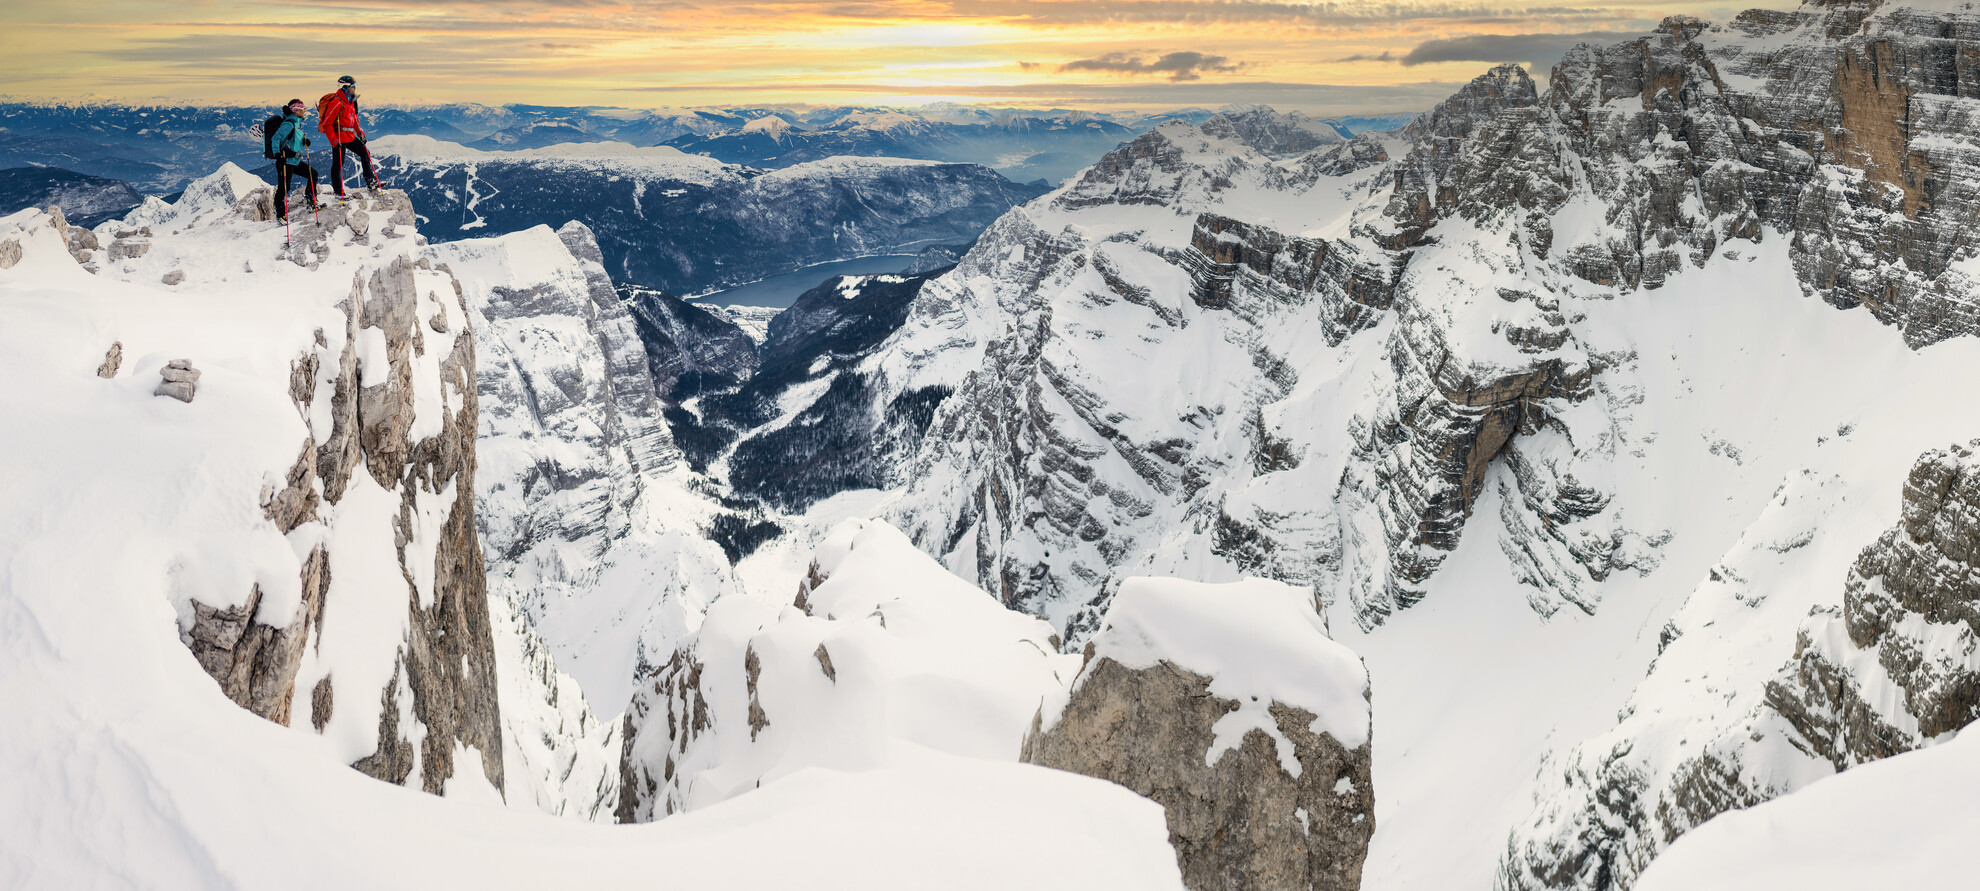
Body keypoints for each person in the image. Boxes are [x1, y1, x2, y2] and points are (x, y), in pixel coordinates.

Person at [317, 75, 384, 197]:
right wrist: (334, 141)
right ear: (346, 87)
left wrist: (360, 134)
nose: (355, 88)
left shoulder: (350, 101)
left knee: (365, 153)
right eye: (353, 86)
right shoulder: (337, 102)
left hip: (349, 136)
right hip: (339, 138)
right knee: (338, 164)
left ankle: (371, 182)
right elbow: (327, 123)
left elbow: (354, 119)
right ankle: (338, 192)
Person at [269, 99, 321, 222]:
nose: (305, 111)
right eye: (303, 109)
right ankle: (280, 214)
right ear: (296, 110)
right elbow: (275, 139)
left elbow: (292, 140)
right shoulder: (288, 124)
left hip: (294, 160)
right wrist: (278, 155)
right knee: (284, 188)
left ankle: (310, 201)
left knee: (313, 174)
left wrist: (304, 141)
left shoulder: (296, 123)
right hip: (285, 161)